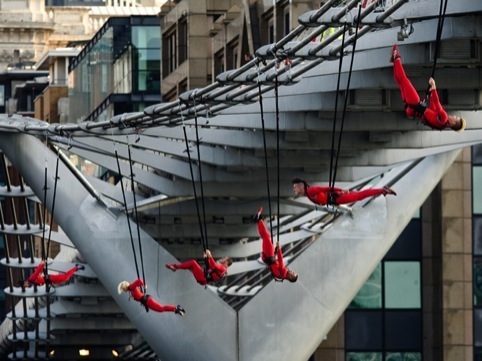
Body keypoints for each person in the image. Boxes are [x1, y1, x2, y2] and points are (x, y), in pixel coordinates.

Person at [390, 44, 466, 131]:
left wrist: (434, 87)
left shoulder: (444, 118)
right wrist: (431, 93)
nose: (454, 116)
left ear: (453, 123)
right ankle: (395, 59)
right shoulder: (441, 124)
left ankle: (396, 56)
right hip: (412, 110)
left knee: (404, 80)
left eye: (456, 118)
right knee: (401, 82)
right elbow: (433, 106)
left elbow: (437, 104)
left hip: (415, 105)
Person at [254, 207, 298, 283]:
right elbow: (275, 266)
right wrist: (276, 252)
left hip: (269, 256)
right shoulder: (281, 276)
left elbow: (280, 260)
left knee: (266, 236)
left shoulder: (284, 272)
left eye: (293, 273)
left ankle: (258, 219)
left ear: (290, 277)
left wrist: (279, 249)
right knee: (265, 237)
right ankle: (259, 220)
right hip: (268, 258)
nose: (292, 271)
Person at [292, 178, 396, 206]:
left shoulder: (311, 191)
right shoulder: (307, 193)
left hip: (337, 198)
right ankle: (381, 190)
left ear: (301, 187)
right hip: (335, 199)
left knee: (359, 196)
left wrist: (341, 190)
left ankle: (383, 190)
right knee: (358, 195)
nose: (294, 189)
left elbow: (327, 189)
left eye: (295, 187)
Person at [117, 278, 185, 316]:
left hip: (147, 300)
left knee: (161, 309)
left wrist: (143, 285)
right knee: (161, 309)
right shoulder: (131, 291)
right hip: (146, 301)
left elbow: (139, 280)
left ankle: (176, 308)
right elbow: (139, 297)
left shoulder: (131, 287)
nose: (124, 290)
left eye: (123, 289)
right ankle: (175, 309)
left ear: (125, 287)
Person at [165, 250, 233, 286]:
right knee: (191, 265)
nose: (223, 259)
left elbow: (214, 265)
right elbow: (210, 266)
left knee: (193, 263)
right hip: (203, 278)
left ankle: (175, 267)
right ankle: (175, 268)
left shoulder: (223, 268)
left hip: (203, 278)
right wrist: (207, 259)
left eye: (225, 258)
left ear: (227, 262)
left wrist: (210, 256)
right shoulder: (222, 269)